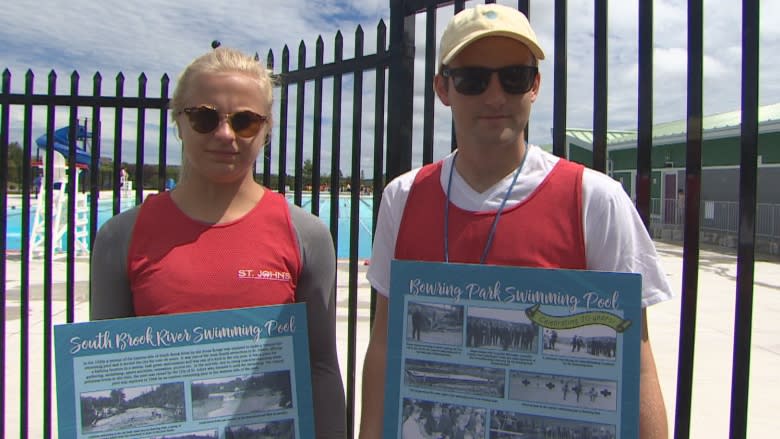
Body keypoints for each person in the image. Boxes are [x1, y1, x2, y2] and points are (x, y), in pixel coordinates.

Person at [358, 4, 672, 439]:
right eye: (472, 79)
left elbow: (634, 360)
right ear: (442, 88)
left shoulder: (595, 200)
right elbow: (384, 344)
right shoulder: (403, 198)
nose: (494, 96)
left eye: (514, 77)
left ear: (535, 86)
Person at [90, 47, 346, 438]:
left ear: (266, 131)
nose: (224, 134)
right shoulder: (121, 237)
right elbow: (106, 375)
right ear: (178, 121)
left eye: (245, 122)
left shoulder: (305, 234)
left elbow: (321, 367)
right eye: (204, 118)